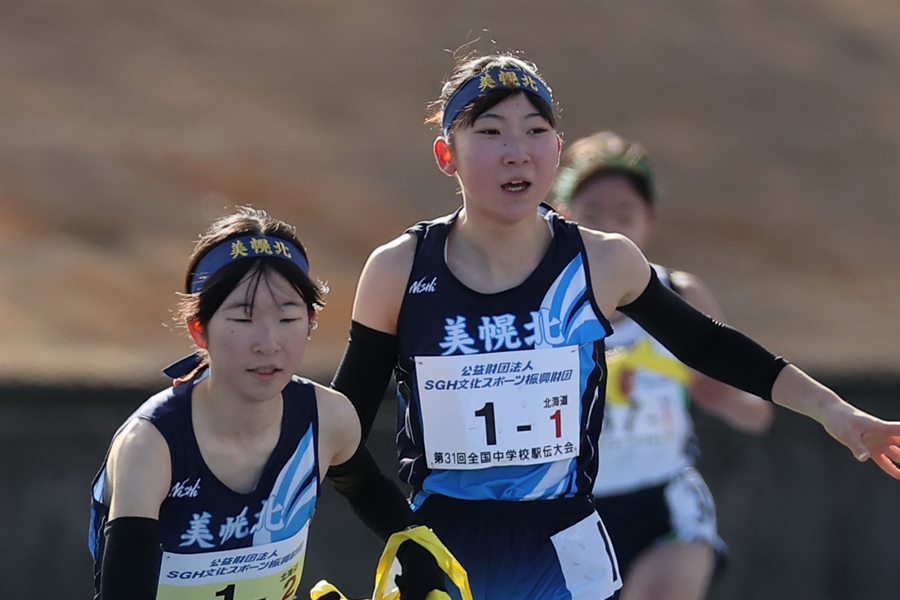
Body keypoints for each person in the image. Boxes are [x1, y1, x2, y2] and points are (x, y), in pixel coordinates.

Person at [330, 51, 900, 600]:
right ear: (445, 153)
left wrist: (836, 412)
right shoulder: (399, 270)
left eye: (535, 131)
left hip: (567, 551)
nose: (516, 152)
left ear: (556, 149)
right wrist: (399, 531)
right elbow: (338, 432)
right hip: (441, 552)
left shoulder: (604, 263)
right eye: (489, 132)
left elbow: (709, 345)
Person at [89, 207, 444, 600]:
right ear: (198, 329)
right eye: (243, 319)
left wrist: (416, 549)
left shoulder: (328, 419)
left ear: (310, 322)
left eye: (288, 319)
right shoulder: (151, 446)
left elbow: (368, 488)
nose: (268, 343)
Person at [553, 131, 774, 600]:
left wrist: (724, 397)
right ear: (561, 213)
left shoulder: (679, 295)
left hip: (663, 505)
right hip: (566, 513)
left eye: (625, 215)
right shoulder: (540, 306)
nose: (610, 228)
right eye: (592, 213)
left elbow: (757, 413)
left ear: (649, 222)